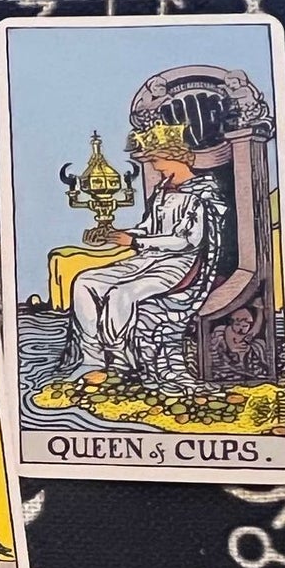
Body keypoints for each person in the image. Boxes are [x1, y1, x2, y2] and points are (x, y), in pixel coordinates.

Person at [66, 119, 226, 390]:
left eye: (156, 159)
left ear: (175, 157)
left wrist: (135, 241)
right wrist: (117, 235)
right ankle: (92, 358)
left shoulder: (200, 195)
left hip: (180, 266)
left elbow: (187, 241)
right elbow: (149, 228)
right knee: (85, 281)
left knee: (121, 293)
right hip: (148, 258)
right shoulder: (163, 190)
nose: (153, 165)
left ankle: (119, 360)